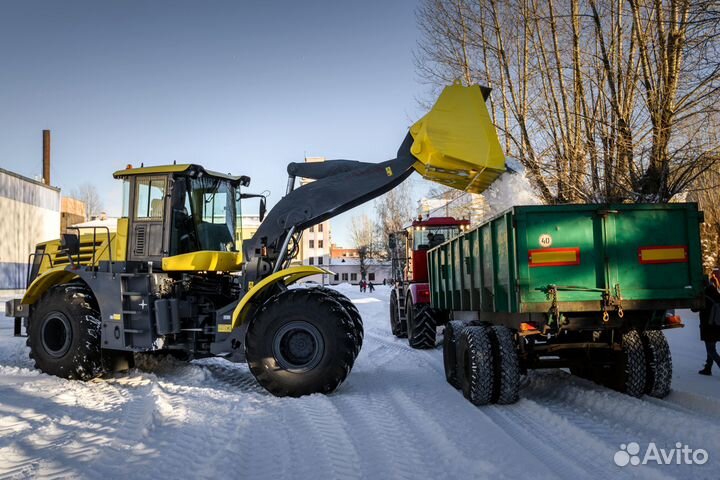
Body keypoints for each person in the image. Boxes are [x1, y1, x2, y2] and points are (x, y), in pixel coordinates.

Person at [699, 272, 720, 375]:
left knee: (711, 350)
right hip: (717, 325)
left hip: (708, 326)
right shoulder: (716, 293)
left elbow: (695, 308)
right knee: (711, 347)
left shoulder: (704, 296)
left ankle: (709, 368)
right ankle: (708, 368)